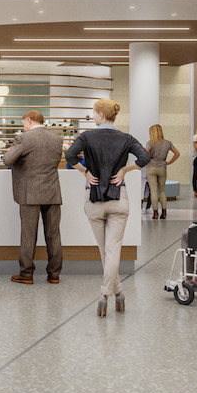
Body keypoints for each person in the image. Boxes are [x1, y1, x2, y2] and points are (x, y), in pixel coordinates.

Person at [65, 99, 149, 317]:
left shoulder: (87, 137)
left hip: (93, 200)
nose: (93, 116)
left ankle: (105, 293)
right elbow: (144, 157)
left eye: (94, 113)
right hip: (118, 198)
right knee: (112, 251)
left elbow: (70, 156)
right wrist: (125, 170)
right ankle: (117, 292)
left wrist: (84, 172)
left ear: (100, 115)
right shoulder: (126, 138)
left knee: (106, 251)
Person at [2, 109, 63, 285]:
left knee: (29, 234)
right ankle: (54, 275)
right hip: (52, 192)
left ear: (29, 120)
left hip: (30, 193)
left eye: (23, 123)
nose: (24, 127)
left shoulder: (24, 138)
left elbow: (7, 159)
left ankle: (26, 274)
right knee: (54, 234)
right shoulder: (57, 139)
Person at [143, 125, 179, 218]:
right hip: (162, 168)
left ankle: (155, 213)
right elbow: (177, 153)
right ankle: (164, 213)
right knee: (162, 191)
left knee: (153, 191)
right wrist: (169, 162)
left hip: (151, 168)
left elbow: (145, 154)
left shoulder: (150, 143)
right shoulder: (168, 143)